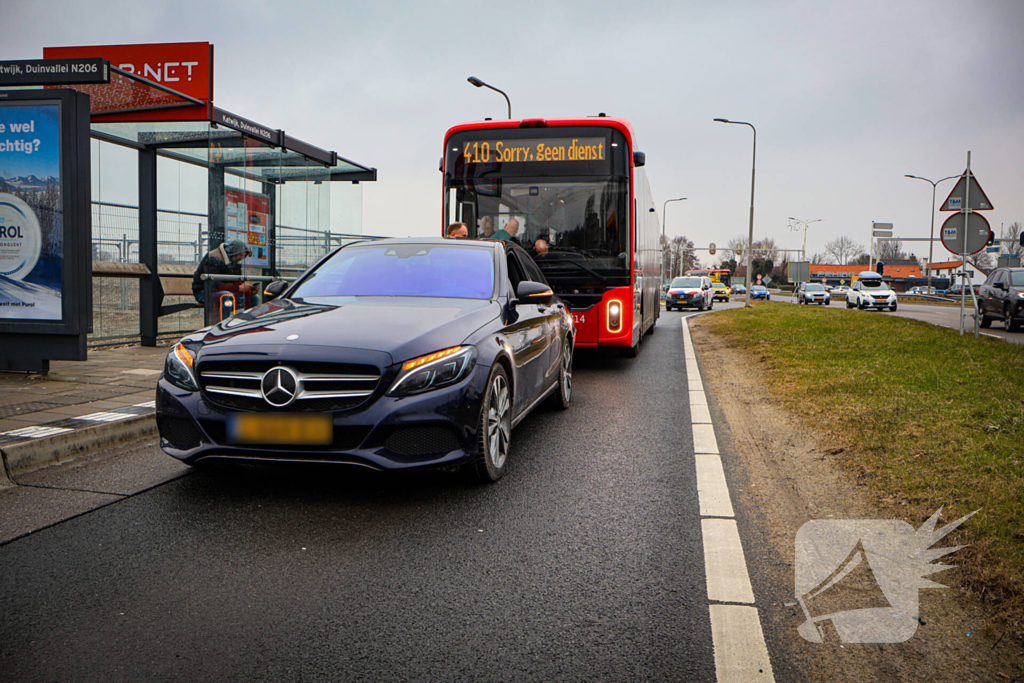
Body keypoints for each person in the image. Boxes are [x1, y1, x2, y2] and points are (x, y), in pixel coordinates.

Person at [191, 239, 260, 309]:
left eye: (243, 256)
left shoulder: (234, 262)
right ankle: (223, 320)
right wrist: (238, 288)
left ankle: (247, 319)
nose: (241, 258)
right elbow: (214, 285)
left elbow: (236, 281)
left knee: (254, 298)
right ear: (234, 252)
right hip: (204, 293)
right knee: (226, 297)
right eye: (241, 255)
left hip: (225, 292)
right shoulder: (214, 258)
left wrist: (248, 289)